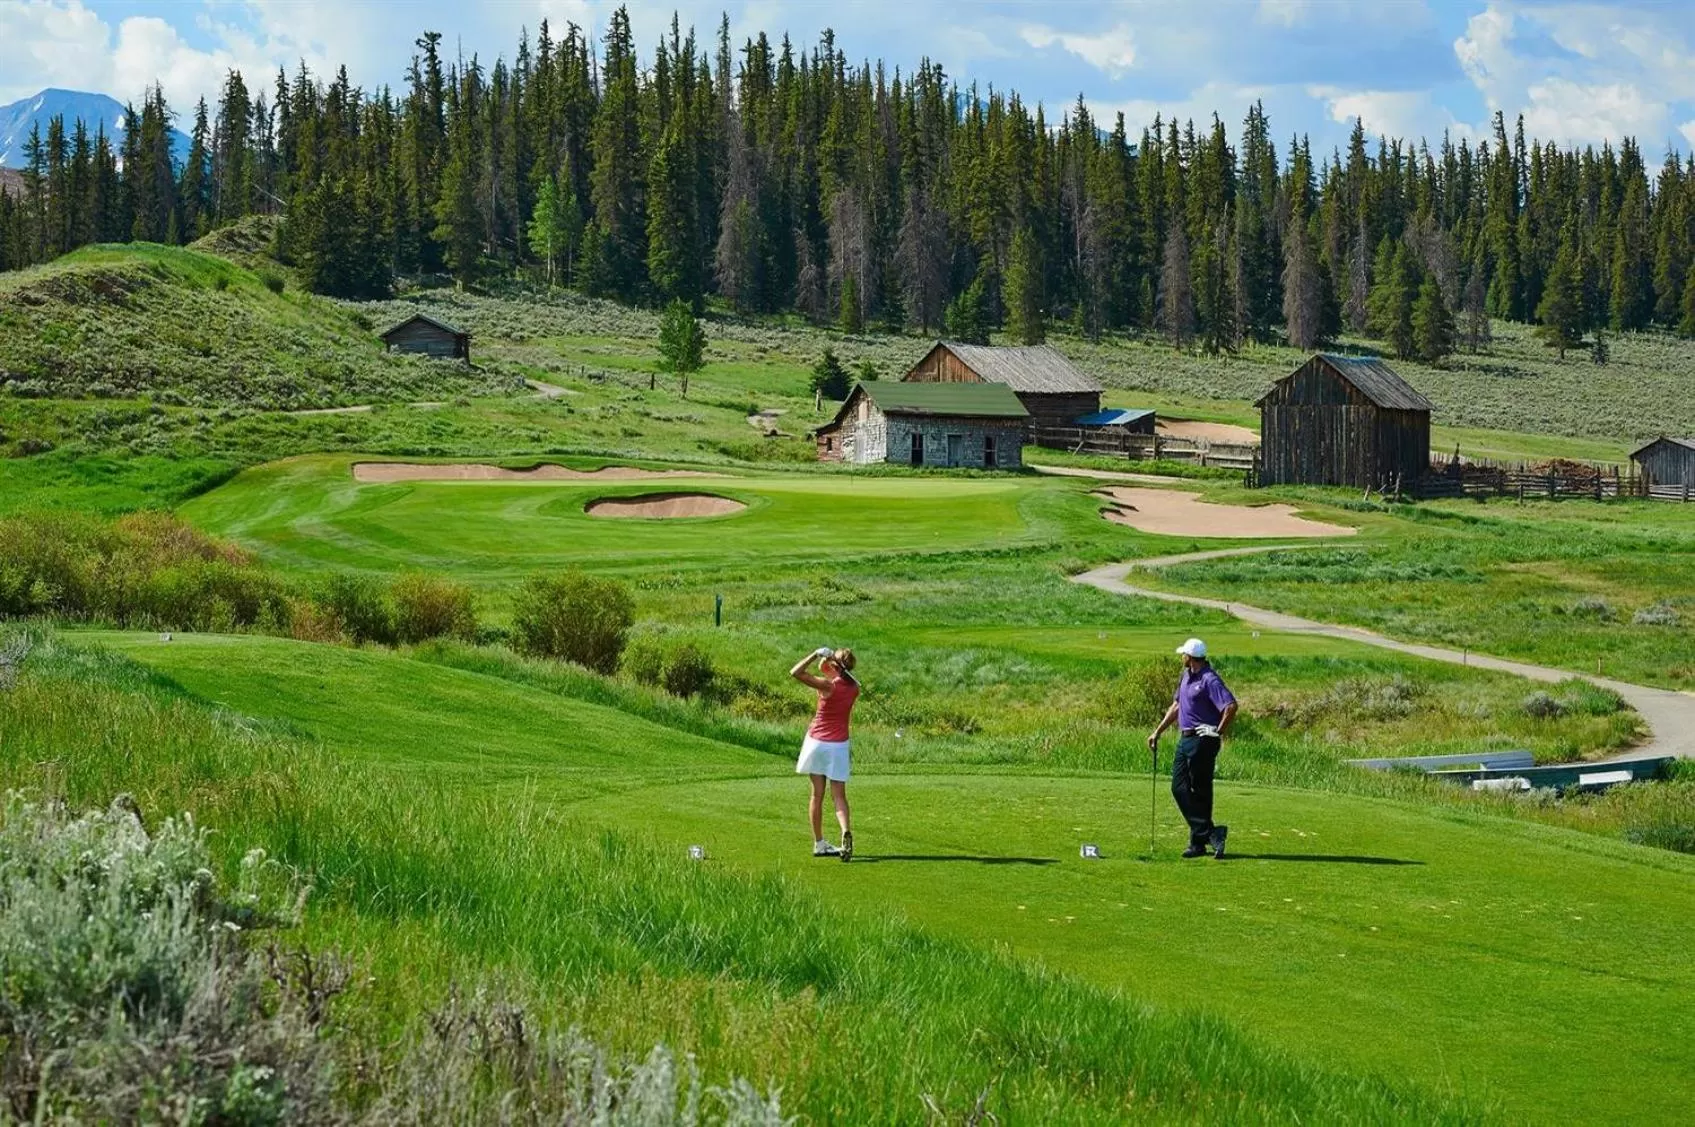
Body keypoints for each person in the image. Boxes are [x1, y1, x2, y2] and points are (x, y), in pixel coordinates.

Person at [1148, 638, 1238, 858]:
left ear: (1190, 657)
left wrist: (1218, 731)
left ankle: (1198, 842)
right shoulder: (1186, 676)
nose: (1181, 657)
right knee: (1179, 787)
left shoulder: (1209, 679)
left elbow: (1231, 706)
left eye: (1183, 654)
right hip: (1185, 738)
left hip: (1203, 740)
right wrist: (1157, 731)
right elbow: (1177, 706)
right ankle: (1210, 834)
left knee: (1200, 790)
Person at [791, 646, 860, 861]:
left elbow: (796, 672)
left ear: (838, 666)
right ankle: (845, 830)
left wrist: (814, 654)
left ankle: (819, 843)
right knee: (839, 795)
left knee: (817, 794)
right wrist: (831, 659)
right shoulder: (854, 687)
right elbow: (827, 669)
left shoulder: (827, 686)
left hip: (817, 743)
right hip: (839, 746)